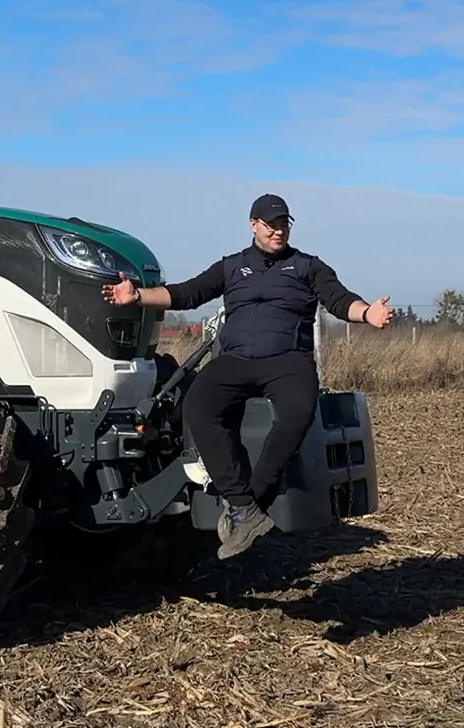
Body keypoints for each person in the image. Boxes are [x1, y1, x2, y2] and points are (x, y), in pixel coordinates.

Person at [102, 193, 395, 559]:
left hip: (288, 359)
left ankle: (253, 499)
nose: (278, 231)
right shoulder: (231, 267)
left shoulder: (307, 266)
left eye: (284, 224)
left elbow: (338, 299)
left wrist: (367, 313)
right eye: (271, 224)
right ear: (253, 225)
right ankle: (242, 505)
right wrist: (138, 297)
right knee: (198, 406)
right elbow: (186, 294)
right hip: (236, 359)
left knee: (299, 411)